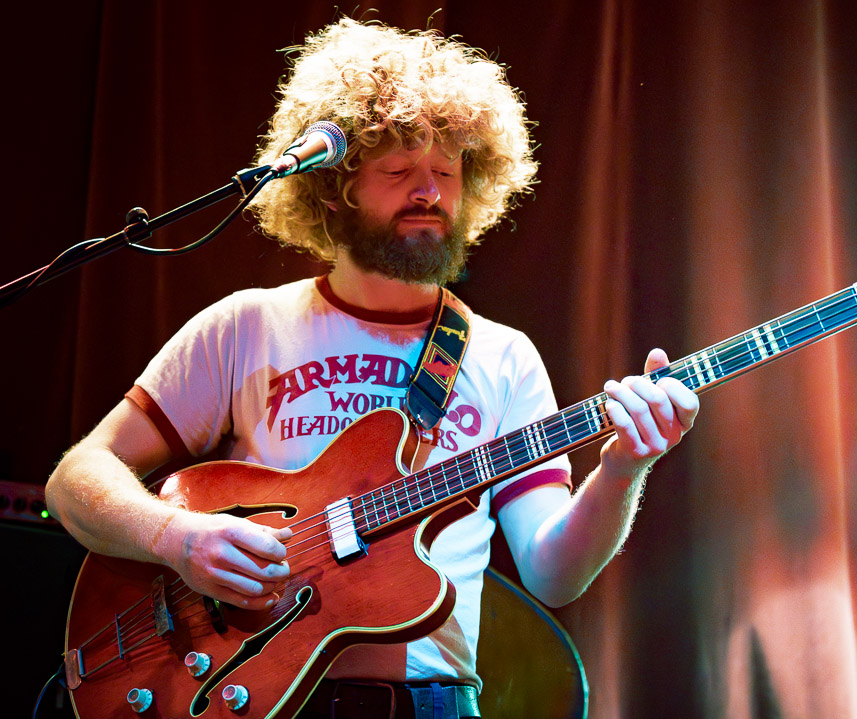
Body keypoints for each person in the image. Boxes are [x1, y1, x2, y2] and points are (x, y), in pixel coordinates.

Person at [45, 17, 699, 719]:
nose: (430, 193)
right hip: (242, 692)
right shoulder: (247, 326)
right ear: (334, 189)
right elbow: (75, 479)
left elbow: (552, 573)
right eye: (398, 171)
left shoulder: (504, 357)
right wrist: (178, 539)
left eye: (448, 172)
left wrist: (623, 469)